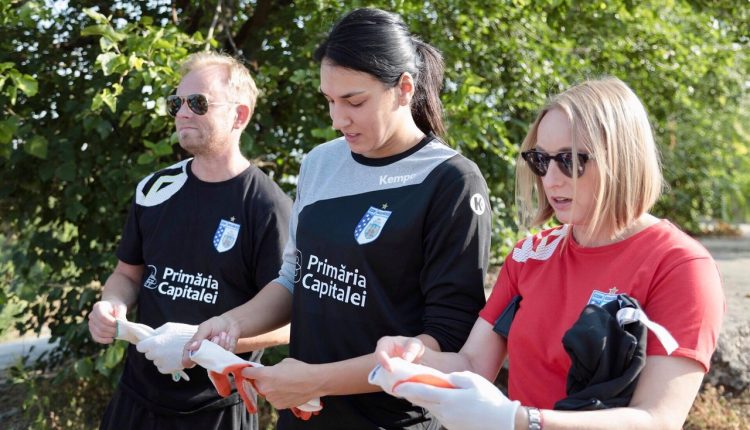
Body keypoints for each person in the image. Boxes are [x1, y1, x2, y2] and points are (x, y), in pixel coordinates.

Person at [183, 8, 492, 430]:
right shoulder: (319, 162)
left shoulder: (451, 180)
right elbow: (295, 278)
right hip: (304, 412)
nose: (337, 118)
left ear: (404, 89)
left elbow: (448, 338)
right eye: (329, 99)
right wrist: (230, 323)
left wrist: (316, 378)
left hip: (391, 420)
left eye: (354, 101)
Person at [374, 77, 725, 429]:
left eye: (570, 161)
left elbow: (658, 419)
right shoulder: (531, 254)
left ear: (622, 159)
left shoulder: (679, 265)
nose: (551, 179)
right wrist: (415, 358)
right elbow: (472, 364)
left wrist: (525, 421)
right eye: (541, 160)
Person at [87, 51, 292, 430]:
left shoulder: (268, 206)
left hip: (215, 407)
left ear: (239, 115)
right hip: (136, 396)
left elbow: (287, 324)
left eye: (197, 103)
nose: (182, 112)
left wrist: (200, 346)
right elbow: (127, 275)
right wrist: (111, 304)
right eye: (175, 102)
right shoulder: (156, 188)